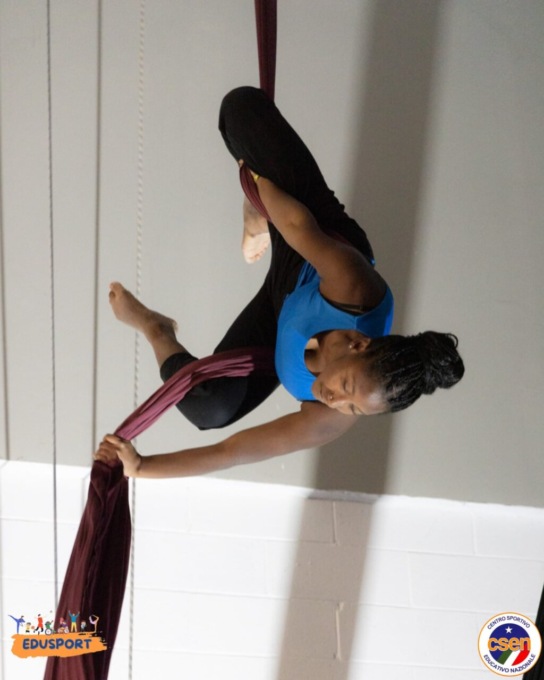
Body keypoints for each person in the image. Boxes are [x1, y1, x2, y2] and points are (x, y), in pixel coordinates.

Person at [94, 87, 464, 478]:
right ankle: (258, 216)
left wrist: (139, 467)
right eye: (345, 385)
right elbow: (297, 225)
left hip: (280, 312)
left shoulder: (331, 417)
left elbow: (233, 452)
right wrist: (254, 180)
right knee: (240, 109)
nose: (335, 400)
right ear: (358, 343)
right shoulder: (355, 290)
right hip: (315, 246)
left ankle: (156, 327)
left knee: (209, 409)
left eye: (352, 407)